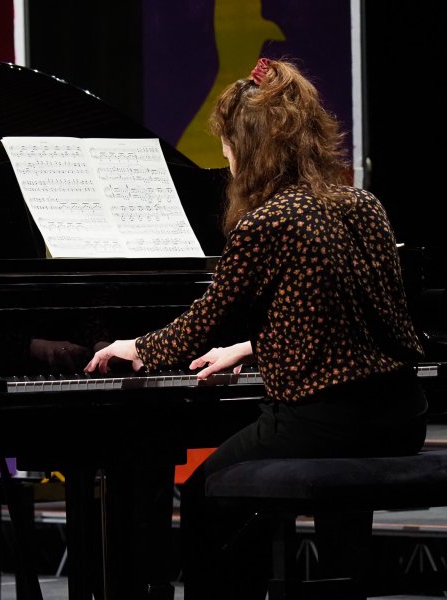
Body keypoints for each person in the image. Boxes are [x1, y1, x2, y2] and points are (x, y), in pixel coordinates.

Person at [85, 57, 427, 598]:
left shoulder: (266, 223)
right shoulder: (364, 204)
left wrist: (139, 346)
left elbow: (202, 322)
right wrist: (251, 346)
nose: (224, 157)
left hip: (330, 419)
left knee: (206, 490)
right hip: (402, 414)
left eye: (226, 145)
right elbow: (357, 312)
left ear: (249, 149)